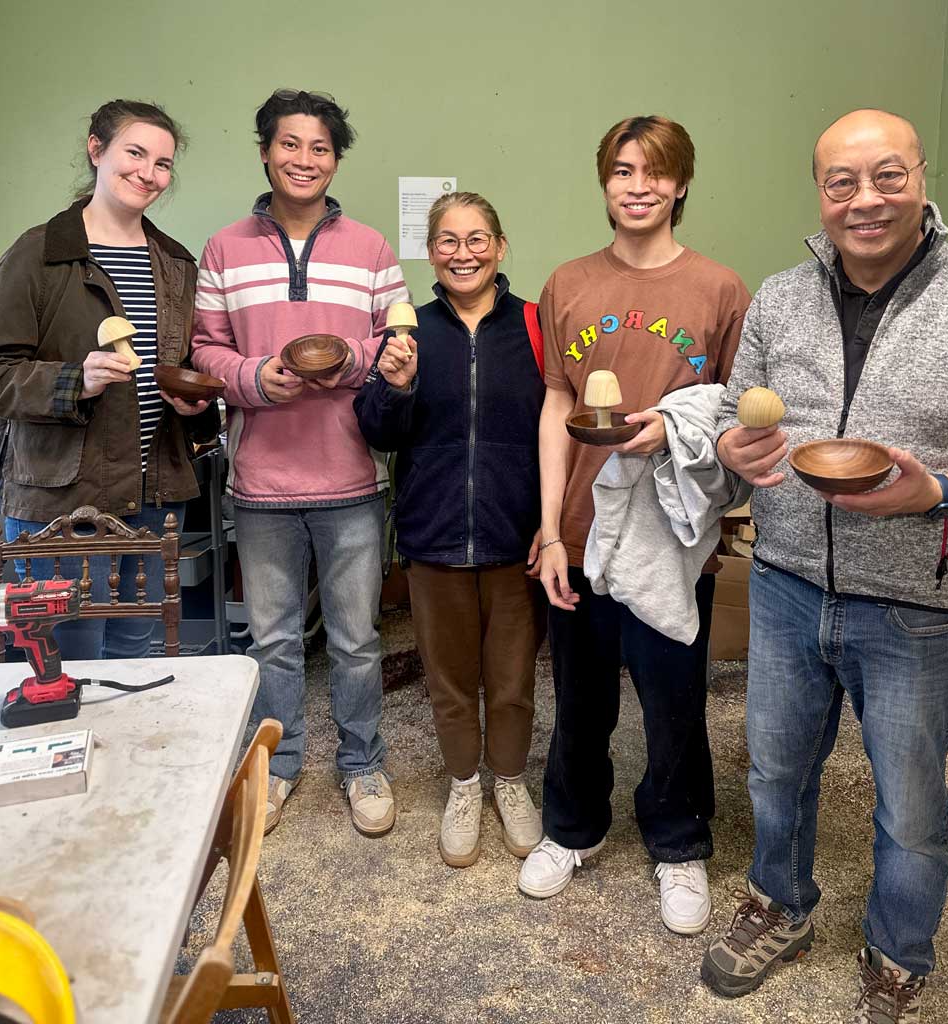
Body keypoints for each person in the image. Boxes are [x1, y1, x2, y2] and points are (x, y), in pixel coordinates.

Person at [701, 109, 948, 1022]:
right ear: (820, 192)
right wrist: (731, 445)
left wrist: (938, 493)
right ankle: (781, 902)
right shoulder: (779, 296)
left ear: (921, 179)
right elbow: (734, 415)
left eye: (886, 176)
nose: (864, 199)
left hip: (917, 604)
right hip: (786, 582)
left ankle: (898, 952)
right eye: (842, 181)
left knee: (910, 804)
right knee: (774, 772)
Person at [518, 115, 750, 935]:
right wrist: (551, 530)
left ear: (681, 184)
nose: (638, 186)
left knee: (674, 704)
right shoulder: (569, 282)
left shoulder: (719, 289)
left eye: (655, 171)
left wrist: (675, 431)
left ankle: (679, 843)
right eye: (622, 170)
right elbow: (556, 402)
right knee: (580, 702)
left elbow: (732, 413)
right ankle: (571, 828)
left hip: (672, 538)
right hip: (582, 532)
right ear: (604, 182)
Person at [191, 89, 409, 837]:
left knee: (357, 641)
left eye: (320, 147)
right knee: (273, 642)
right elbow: (205, 350)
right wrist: (255, 377)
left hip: (351, 478)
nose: (304, 159)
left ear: (335, 160)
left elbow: (398, 342)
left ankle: (363, 763)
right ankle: (279, 767)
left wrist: (351, 359)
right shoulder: (224, 249)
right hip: (261, 482)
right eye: (290, 144)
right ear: (265, 151)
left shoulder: (371, 248)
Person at [0, 99, 219, 659]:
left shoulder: (176, 264)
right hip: (60, 505)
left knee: (135, 656)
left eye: (163, 163)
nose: (148, 173)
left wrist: (194, 405)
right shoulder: (39, 254)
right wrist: (75, 380)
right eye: (135, 153)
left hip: (153, 497)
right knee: (65, 658)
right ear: (96, 150)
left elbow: (182, 363)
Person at [354, 192, 546, 867]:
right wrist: (396, 386)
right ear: (431, 251)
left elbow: (558, 430)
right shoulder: (409, 333)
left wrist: (550, 524)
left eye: (477, 239)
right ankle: (465, 785)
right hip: (433, 537)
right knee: (450, 680)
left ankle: (511, 782)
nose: (463, 253)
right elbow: (376, 431)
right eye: (448, 241)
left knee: (513, 680)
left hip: (515, 538)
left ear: (499, 245)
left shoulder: (535, 326)